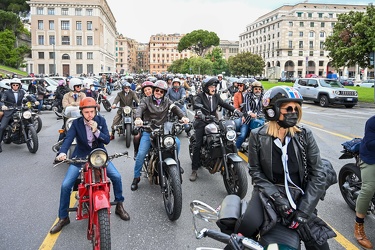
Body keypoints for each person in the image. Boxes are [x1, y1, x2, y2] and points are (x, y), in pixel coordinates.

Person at [243, 86, 332, 249]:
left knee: (319, 244)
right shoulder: (257, 135)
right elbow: (255, 171)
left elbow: (318, 174)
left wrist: (304, 211)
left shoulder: (305, 135)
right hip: (269, 195)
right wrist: (277, 199)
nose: (294, 112)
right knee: (246, 228)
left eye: (296, 108)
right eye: (288, 109)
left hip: (300, 197)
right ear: (272, 111)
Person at [50, 97, 130, 234]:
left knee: (116, 176)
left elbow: (106, 140)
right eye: (86, 112)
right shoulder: (76, 124)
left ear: (95, 111)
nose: (89, 115)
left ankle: (119, 205)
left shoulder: (101, 121)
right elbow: (68, 139)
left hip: (99, 156)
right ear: (82, 112)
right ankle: (63, 217)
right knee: (66, 185)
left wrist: (96, 131)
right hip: (80, 156)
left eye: (92, 112)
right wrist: (62, 153)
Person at [131, 80, 189, 191]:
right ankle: (136, 177)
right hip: (149, 130)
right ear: (153, 90)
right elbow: (140, 108)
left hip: (164, 131)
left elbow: (175, 108)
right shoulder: (146, 100)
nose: (158, 92)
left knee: (177, 142)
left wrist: (183, 117)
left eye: (161, 91)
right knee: (141, 154)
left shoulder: (167, 101)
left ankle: (176, 163)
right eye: (156, 90)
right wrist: (138, 118)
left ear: (164, 93)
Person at [190, 77, 241, 181]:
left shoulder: (216, 96)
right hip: (201, 122)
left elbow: (224, 104)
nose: (213, 88)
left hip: (213, 120)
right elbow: (196, 105)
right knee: (198, 145)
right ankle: (194, 170)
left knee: (224, 136)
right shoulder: (200, 96)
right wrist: (200, 113)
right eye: (211, 86)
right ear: (205, 88)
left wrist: (235, 110)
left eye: (214, 86)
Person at [354, 115, 375, 249]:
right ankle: (358, 226)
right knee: (368, 188)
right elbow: (370, 143)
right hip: (370, 157)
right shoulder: (372, 122)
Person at [0, 78, 38, 153]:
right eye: (13, 85)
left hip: (20, 109)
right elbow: (2, 100)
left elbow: (29, 97)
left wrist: (35, 101)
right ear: (11, 86)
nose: (15, 86)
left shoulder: (22, 91)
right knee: (2, 127)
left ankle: (29, 133)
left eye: (16, 85)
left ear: (19, 86)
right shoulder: (6, 92)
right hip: (9, 111)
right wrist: (3, 105)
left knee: (29, 118)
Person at [236, 81, 265, 149]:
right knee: (242, 135)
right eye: (256, 89)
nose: (258, 90)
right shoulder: (248, 95)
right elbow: (247, 106)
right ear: (252, 89)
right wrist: (250, 113)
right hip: (247, 118)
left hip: (259, 118)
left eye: (259, 89)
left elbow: (264, 106)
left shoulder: (262, 96)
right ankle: (235, 149)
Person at [133, 81, 154, 157]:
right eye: (145, 90)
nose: (147, 92)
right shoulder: (143, 101)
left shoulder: (160, 99)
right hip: (145, 124)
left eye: (149, 89)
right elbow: (140, 108)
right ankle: (136, 151)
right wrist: (138, 118)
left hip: (159, 126)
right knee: (137, 136)